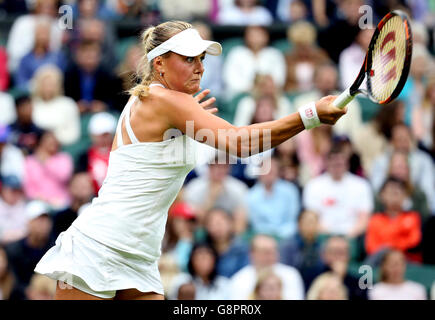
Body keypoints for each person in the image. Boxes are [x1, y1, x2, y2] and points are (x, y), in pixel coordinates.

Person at [34, 20, 346, 300]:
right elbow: (240, 143)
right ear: (160, 64)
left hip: (139, 255)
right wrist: (310, 115)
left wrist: (186, 120)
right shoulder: (162, 100)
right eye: (188, 58)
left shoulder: (162, 102)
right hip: (100, 248)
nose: (199, 67)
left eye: (201, 58)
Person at [303, 143, 373, 238]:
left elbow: (364, 219)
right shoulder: (313, 185)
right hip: (322, 236)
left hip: (352, 236)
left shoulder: (361, 185)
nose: (337, 166)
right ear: (327, 163)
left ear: (347, 163)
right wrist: (330, 236)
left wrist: (348, 236)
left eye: (340, 163)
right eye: (334, 162)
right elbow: (312, 218)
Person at [230, 234, 305, 300]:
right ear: (252, 254)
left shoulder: (291, 275)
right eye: (266, 252)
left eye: (274, 251)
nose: (271, 256)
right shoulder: (239, 280)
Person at [5, 200, 54, 300]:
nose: (43, 224)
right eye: (38, 220)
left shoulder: (56, 248)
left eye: (45, 220)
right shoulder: (13, 249)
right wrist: (29, 292)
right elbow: (12, 280)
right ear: (28, 222)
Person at [365, 177, 422, 261]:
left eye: (398, 191)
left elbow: (414, 241)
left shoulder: (413, 217)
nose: (395, 193)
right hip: (381, 261)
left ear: (405, 196)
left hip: (407, 261)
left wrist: (388, 246)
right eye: (391, 191)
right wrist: (397, 240)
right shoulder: (375, 219)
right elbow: (371, 247)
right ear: (382, 195)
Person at [247, 155, 301, 240]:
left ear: (278, 172)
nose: (268, 174)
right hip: (262, 238)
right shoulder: (251, 196)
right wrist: (270, 236)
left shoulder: (290, 191)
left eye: (271, 171)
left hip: (287, 237)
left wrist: (280, 235)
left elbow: (292, 220)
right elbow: (256, 224)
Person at [31, 65, 81, 147]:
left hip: (62, 148)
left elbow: (74, 134)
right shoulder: (32, 104)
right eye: (45, 83)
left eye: (51, 83)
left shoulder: (68, 104)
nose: (48, 87)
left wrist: (54, 140)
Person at [23, 131, 74, 209]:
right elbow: (28, 186)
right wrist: (38, 197)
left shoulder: (64, 158)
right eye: (48, 142)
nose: (52, 144)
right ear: (40, 143)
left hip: (61, 200)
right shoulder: (30, 161)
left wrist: (46, 162)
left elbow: (64, 177)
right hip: (38, 201)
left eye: (54, 141)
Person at [0, 175, 28, 245]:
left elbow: (28, 231)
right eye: (13, 190)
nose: (16, 193)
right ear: (3, 190)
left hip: (21, 245)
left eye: (18, 190)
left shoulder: (24, 204)